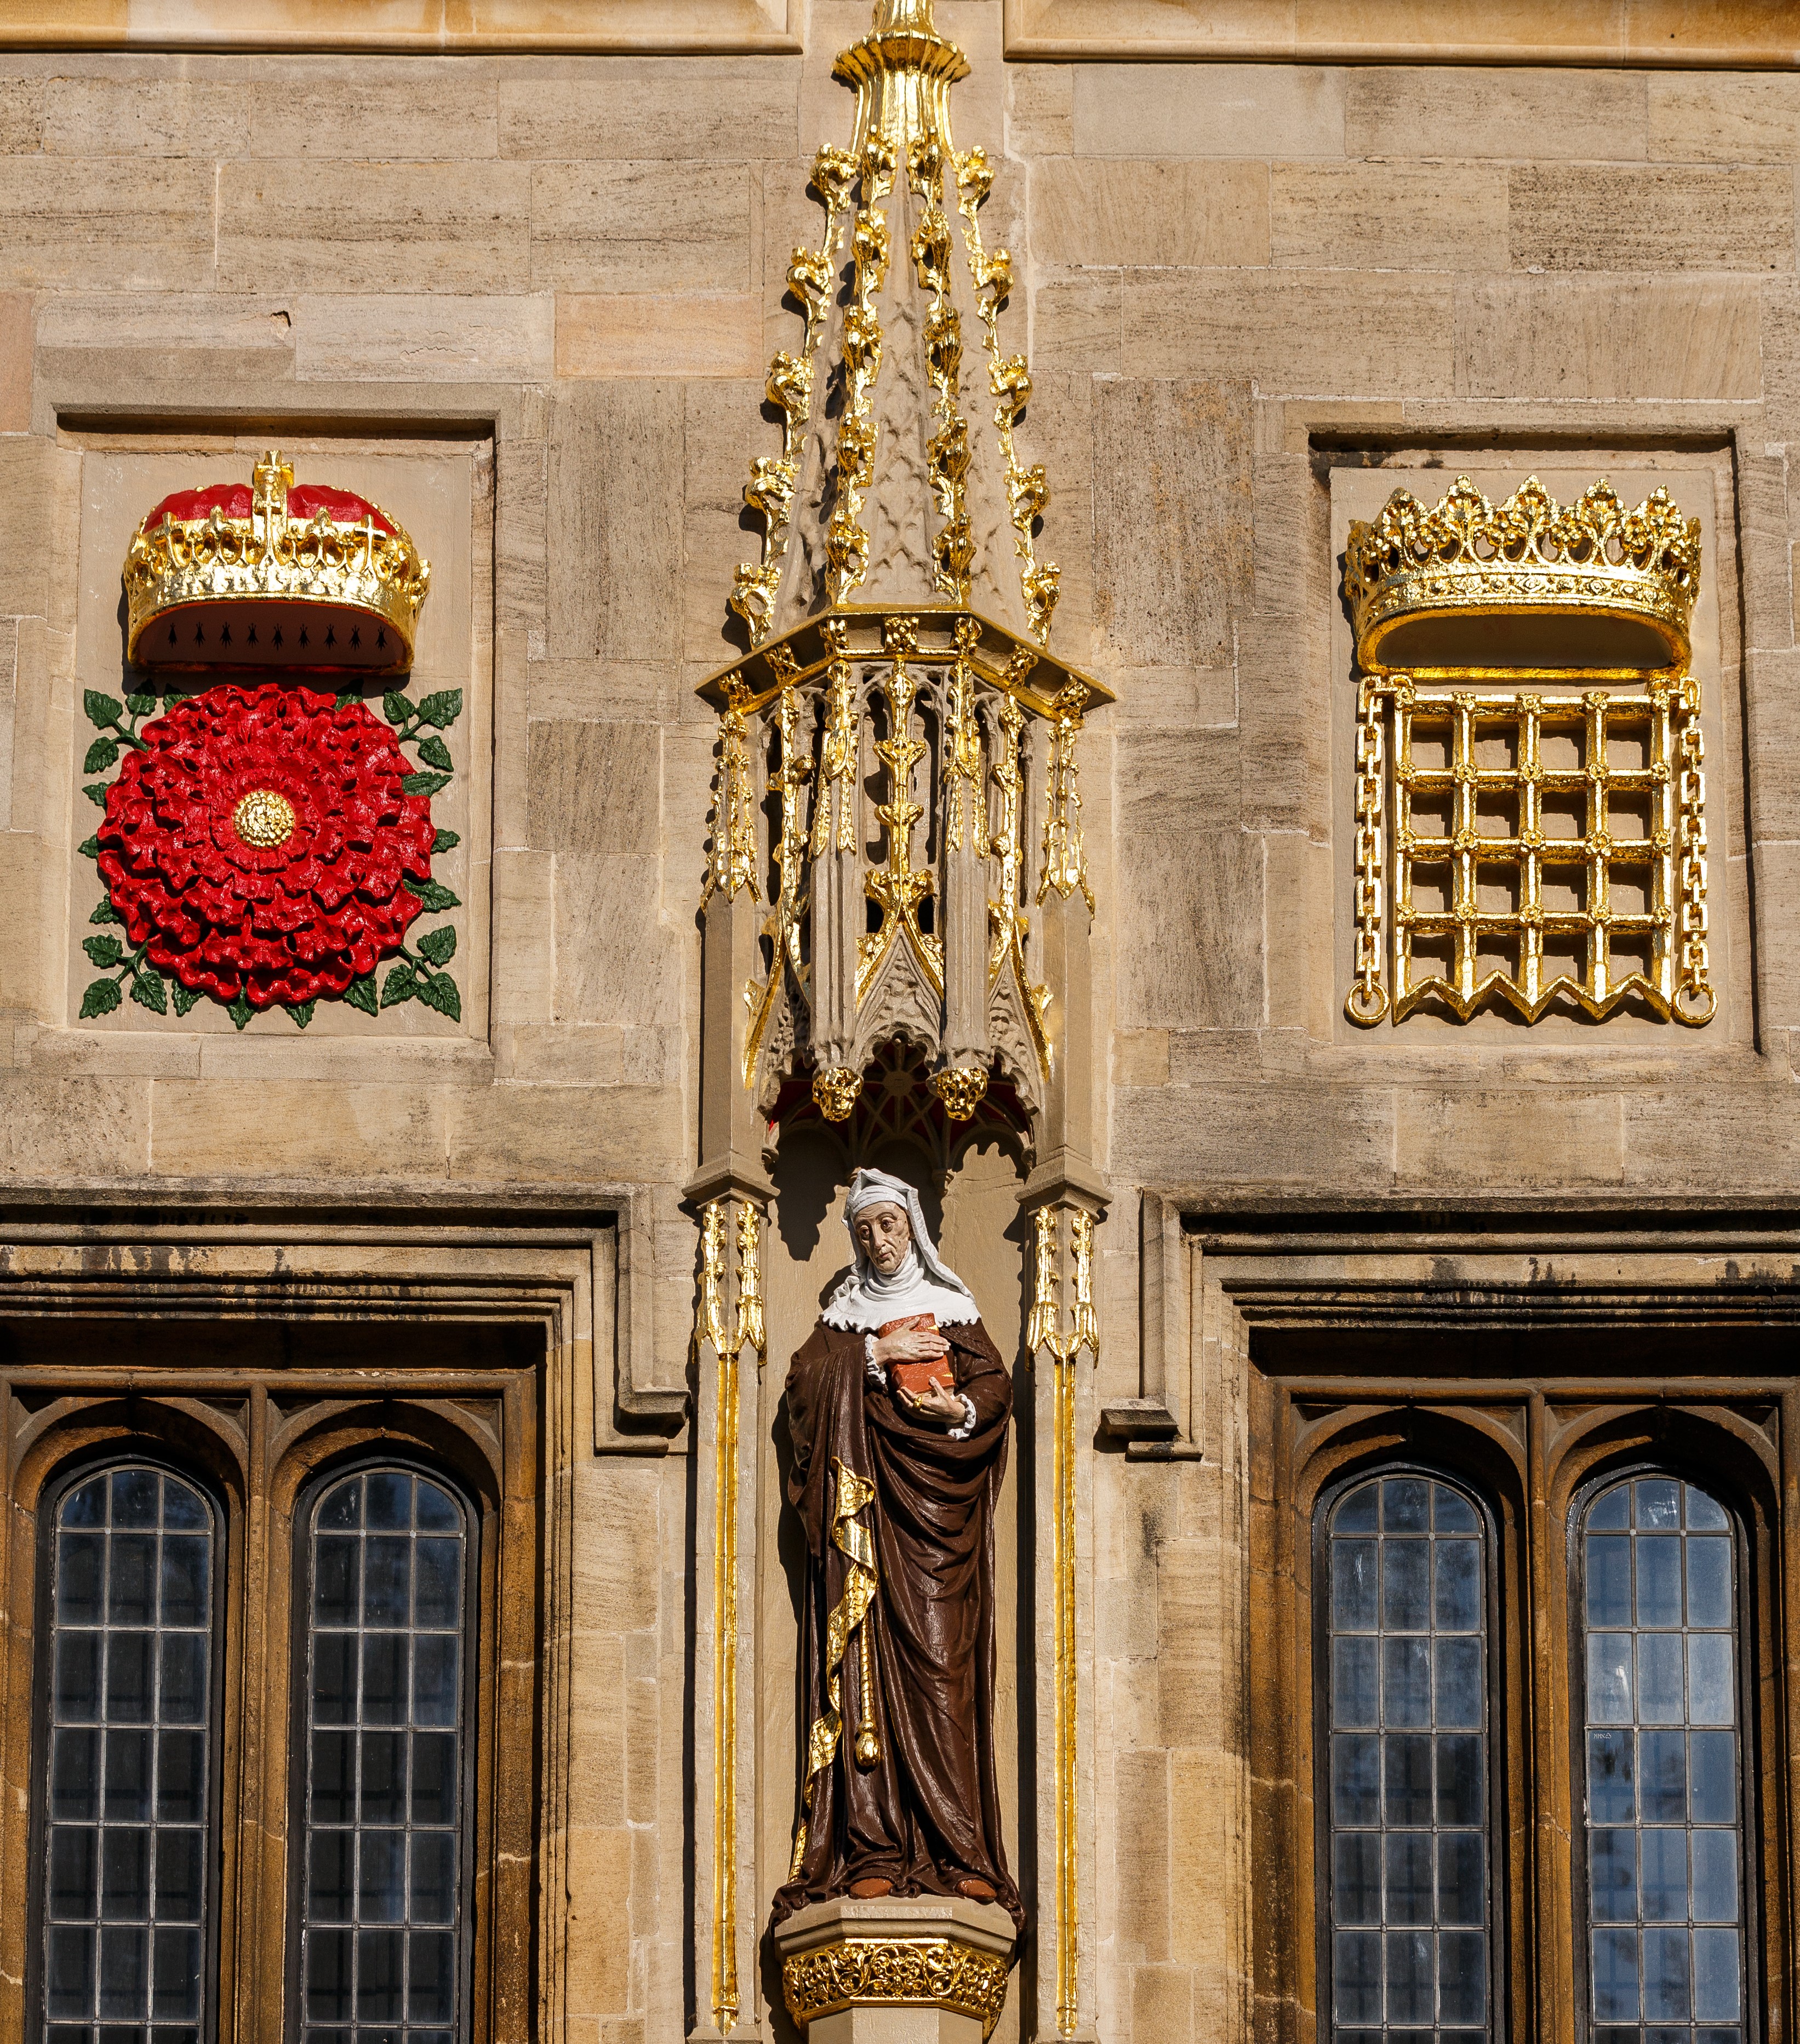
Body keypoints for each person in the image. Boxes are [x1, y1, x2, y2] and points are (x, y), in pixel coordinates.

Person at [770, 1166, 1023, 1938]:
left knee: (943, 1670)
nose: (879, 1240)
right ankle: (871, 1844)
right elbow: (805, 1391)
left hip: (937, 1534)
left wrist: (959, 1407)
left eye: (889, 1224)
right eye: (864, 1229)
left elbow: (994, 1391)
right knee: (861, 1673)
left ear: (912, 1226)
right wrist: (876, 1354)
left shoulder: (954, 1311)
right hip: (865, 1531)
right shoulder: (844, 1322)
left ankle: (959, 1847)